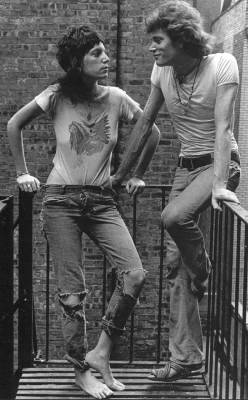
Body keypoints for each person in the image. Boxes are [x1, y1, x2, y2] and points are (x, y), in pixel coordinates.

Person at [7, 26, 160, 399]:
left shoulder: (117, 98)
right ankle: (80, 370)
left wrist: (136, 175)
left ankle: (101, 352)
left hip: (102, 201)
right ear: (78, 61)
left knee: (135, 274)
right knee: (72, 294)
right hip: (60, 200)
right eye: (96, 53)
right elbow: (14, 124)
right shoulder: (56, 96)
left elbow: (151, 132)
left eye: (106, 52)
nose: (105, 59)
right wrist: (22, 172)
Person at [111, 1, 241, 381]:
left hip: (219, 163)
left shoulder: (222, 66)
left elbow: (222, 128)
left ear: (181, 38)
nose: (151, 48)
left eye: (157, 40)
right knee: (174, 269)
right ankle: (186, 358)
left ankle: (204, 272)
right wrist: (122, 174)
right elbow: (145, 121)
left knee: (173, 217)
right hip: (185, 168)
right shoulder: (162, 71)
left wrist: (218, 183)